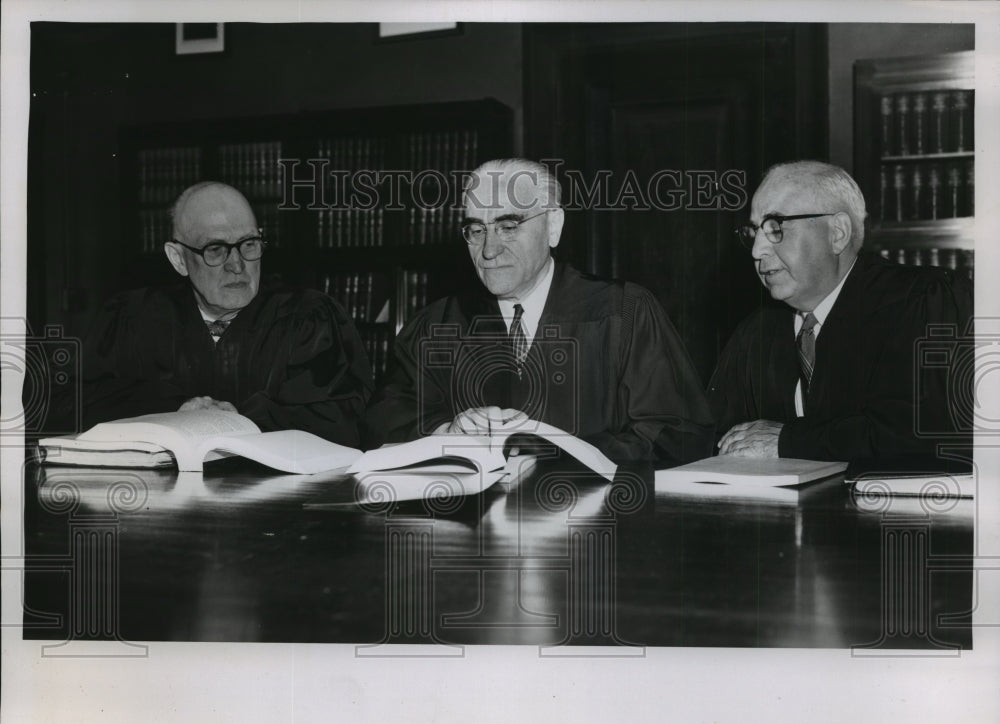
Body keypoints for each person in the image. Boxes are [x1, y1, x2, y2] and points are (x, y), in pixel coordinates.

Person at [363, 158, 715, 464]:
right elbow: (382, 419)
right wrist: (444, 433)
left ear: (553, 226)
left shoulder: (622, 312)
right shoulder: (436, 324)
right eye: (476, 229)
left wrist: (557, 452)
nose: (489, 250)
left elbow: (677, 435)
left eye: (509, 226)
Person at [68, 181, 372, 446]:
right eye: (216, 249)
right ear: (178, 259)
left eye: (249, 244)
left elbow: (343, 420)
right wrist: (176, 408)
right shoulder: (132, 319)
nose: (237, 265)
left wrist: (242, 419)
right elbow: (77, 405)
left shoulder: (309, 318)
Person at [708, 160, 972, 460]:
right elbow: (716, 438)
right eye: (753, 232)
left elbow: (936, 435)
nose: (757, 251)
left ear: (838, 233)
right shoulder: (756, 332)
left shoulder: (922, 301)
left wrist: (791, 442)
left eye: (775, 228)